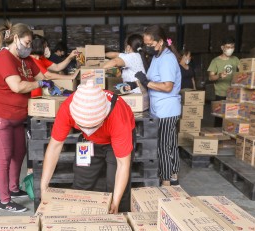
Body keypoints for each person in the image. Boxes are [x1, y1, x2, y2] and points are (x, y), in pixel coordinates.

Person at [0, 21, 52, 213]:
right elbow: (17, 86)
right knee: (4, 159)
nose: (29, 47)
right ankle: (4, 200)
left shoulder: (26, 60)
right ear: (16, 39)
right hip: (0, 117)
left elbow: (45, 76)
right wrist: (41, 85)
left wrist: (63, 82)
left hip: (17, 118)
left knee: (19, 153)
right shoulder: (4, 58)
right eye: (27, 42)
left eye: (31, 44)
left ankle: (13, 189)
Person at [40, 80, 135, 213]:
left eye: (93, 126)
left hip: (115, 142)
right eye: (83, 126)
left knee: (116, 189)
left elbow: (122, 164)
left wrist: (115, 202)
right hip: (87, 141)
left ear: (103, 116)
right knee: (81, 183)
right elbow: (55, 147)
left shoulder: (117, 117)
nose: (90, 129)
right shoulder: (68, 108)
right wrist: (44, 186)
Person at [135, 25, 182, 187]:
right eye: (145, 44)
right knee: (170, 143)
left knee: (163, 146)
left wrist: (147, 82)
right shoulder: (157, 57)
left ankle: (166, 181)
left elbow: (168, 86)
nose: (147, 47)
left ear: (160, 42)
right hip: (160, 109)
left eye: (150, 44)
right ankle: (174, 174)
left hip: (167, 110)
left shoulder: (168, 59)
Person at [208, 36, 239, 127]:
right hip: (220, 94)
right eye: (228, 47)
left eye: (232, 47)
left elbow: (243, 72)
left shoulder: (235, 60)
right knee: (219, 119)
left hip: (234, 94)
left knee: (232, 118)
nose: (230, 49)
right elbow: (210, 77)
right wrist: (219, 75)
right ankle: (218, 139)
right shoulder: (215, 61)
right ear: (222, 48)